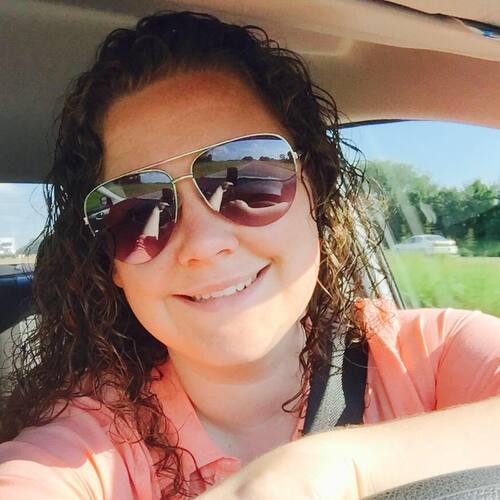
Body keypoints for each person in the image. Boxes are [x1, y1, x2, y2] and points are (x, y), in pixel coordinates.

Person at [0, 11, 499, 500]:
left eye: (249, 178)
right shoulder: (82, 447)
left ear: (315, 190)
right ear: (111, 262)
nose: (203, 243)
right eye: (137, 211)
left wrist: (340, 470)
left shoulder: (433, 356)